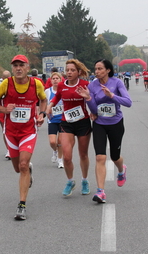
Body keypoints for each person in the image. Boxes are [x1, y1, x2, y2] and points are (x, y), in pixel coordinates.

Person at [0, 54, 47, 220]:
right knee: (18, 168)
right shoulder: (6, 84)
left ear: (28, 67)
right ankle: (28, 170)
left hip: (29, 131)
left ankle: (21, 205)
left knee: (22, 164)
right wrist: (4, 109)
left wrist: (42, 113)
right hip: (11, 132)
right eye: (15, 66)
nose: (18, 68)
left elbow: (43, 100)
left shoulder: (36, 84)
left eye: (21, 65)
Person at [76, 59, 132, 203]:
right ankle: (100, 192)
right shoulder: (92, 85)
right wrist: (88, 98)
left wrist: (112, 96)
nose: (97, 71)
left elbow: (128, 102)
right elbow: (94, 110)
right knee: (100, 157)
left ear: (108, 70)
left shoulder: (117, 83)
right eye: (95, 69)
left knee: (114, 156)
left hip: (116, 123)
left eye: (100, 68)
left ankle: (121, 169)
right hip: (100, 123)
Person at [46, 59, 92, 197]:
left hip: (83, 122)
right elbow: (56, 98)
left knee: (83, 154)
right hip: (66, 123)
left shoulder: (85, 84)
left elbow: (92, 99)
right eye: (67, 70)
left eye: (72, 70)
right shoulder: (61, 85)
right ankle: (70, 181)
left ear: (78, 72)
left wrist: (93, 109)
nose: (69, 73)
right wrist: (49, 106)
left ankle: (84, 180)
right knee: (66, 156)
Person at [44, 72, 64, 169]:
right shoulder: (47, 92)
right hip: (52, 120)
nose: (55, 80)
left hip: (63, 120)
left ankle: (60, 160)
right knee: (52, 142)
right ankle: (55, 151)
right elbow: (44, 104)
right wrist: (46, 111)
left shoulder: (64, 91)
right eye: (53, 78)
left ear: (60, 80)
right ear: (51, 81)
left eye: (57, 78)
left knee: (60, 141)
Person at [0, 70, 12, 160]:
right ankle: (10, 149)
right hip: (8, 111)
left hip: (4, 111)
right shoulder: (3, 87)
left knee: (5, 131)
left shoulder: (0, 86)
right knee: (7, 131)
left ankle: (9, 149)